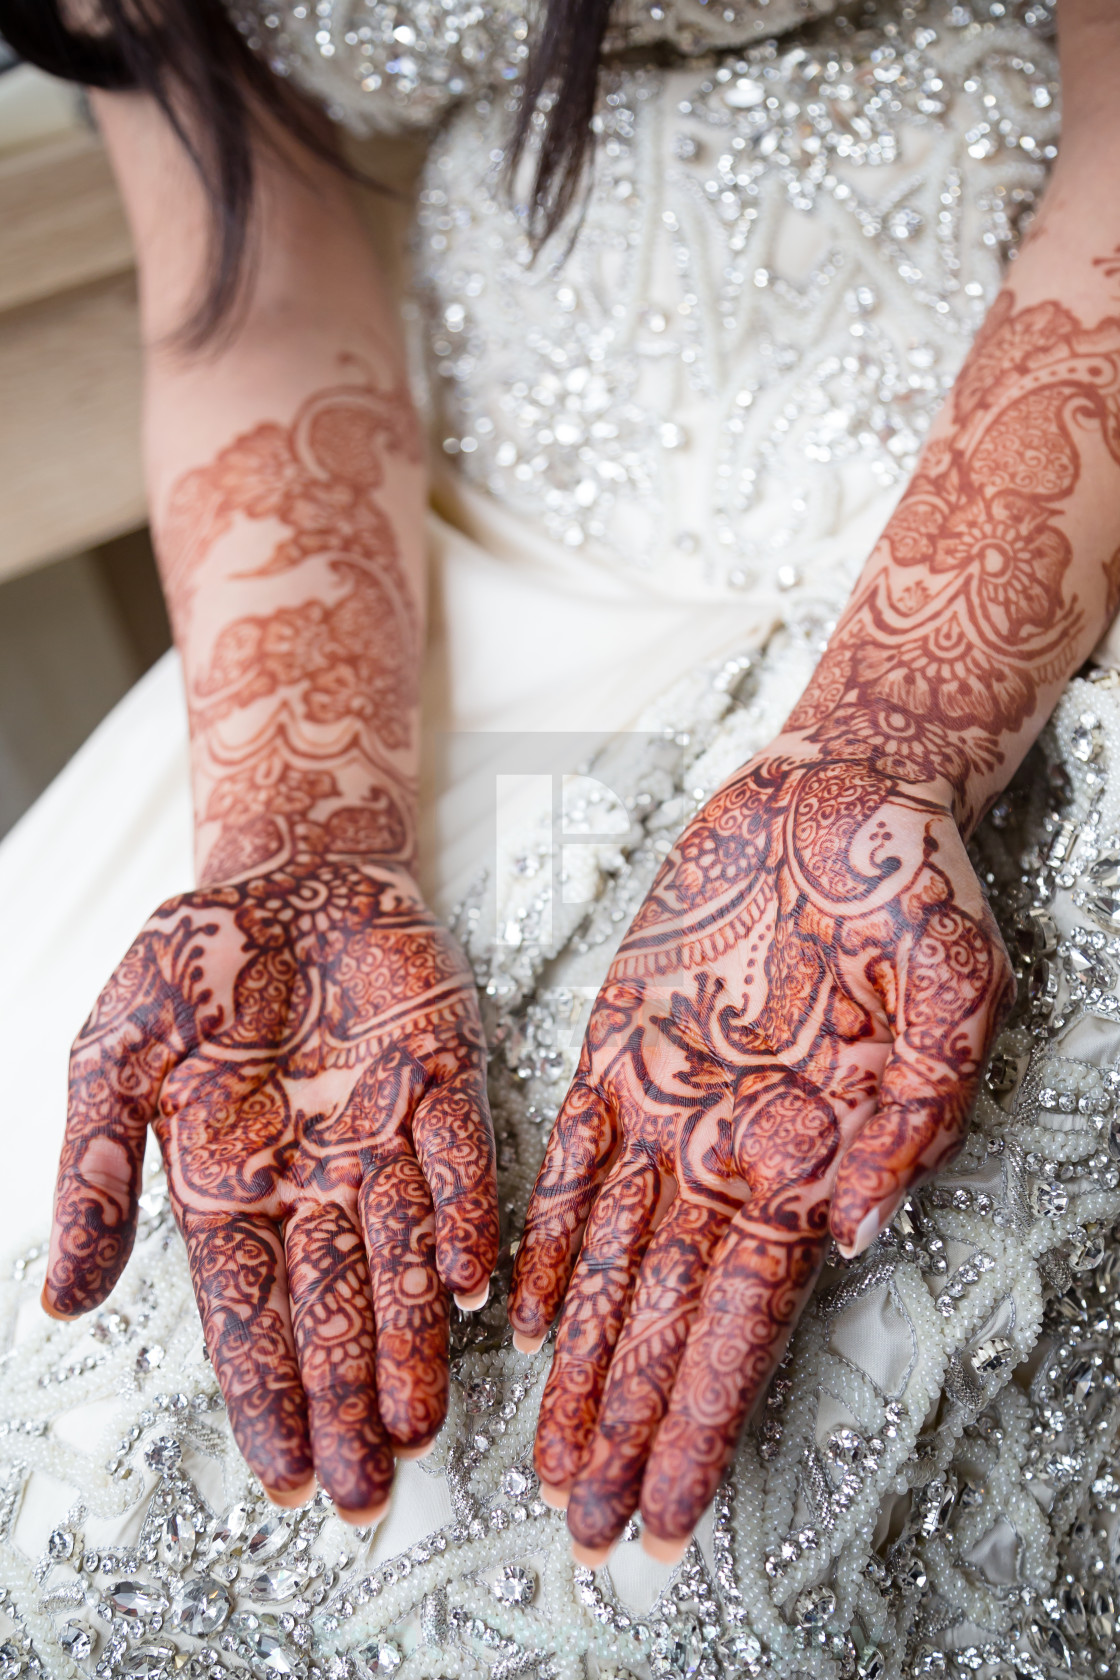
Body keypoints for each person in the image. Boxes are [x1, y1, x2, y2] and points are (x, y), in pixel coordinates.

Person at [2, 0, 1120, 1675]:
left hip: (1022, 532)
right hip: (450, 588)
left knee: (726, 1562)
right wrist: (302, 841)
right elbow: (251, 290)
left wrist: (887, 740)